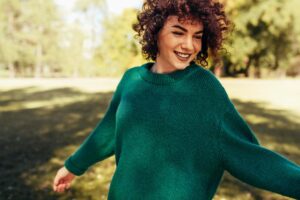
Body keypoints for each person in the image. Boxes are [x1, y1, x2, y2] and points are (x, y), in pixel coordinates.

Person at [53, 0, 300, 199]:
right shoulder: (131, 80)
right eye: (178, 32)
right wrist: (73, 166)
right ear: (156, 32)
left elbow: (248, 154)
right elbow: (108, 130)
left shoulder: (205, 88)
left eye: (197, 36)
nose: (189, 45)